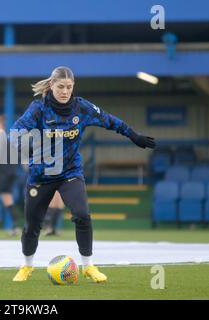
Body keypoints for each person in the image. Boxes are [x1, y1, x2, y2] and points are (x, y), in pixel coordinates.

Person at [11, 66, 155, 283]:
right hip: (41, 175)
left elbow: (110, 121)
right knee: (32, 224)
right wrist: (26, 147)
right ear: (52, 85)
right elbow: (16, 131)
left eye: (69, 87)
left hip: (70, 172)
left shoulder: (82, 108)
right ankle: (26, 266)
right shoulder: (39, 108)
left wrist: (135, 136)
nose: (65, 91)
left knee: (82, 214)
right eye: (61, 87)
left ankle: (88, 266)